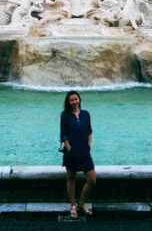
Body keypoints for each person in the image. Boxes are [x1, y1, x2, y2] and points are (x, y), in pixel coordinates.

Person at [60, 91, 96, 219]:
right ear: (68, 102)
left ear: (79, 100)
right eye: (72, 100)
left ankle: (82, 202)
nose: (74, 102)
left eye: (76, 99)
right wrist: (69, 147)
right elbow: (63, 134)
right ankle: (73, 205)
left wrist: (89, 145)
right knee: (71, 178)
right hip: (71, 151)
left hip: (84, 151)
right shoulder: (65, 116)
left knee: (92, 179)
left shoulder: (86, 114)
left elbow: (89, 131)